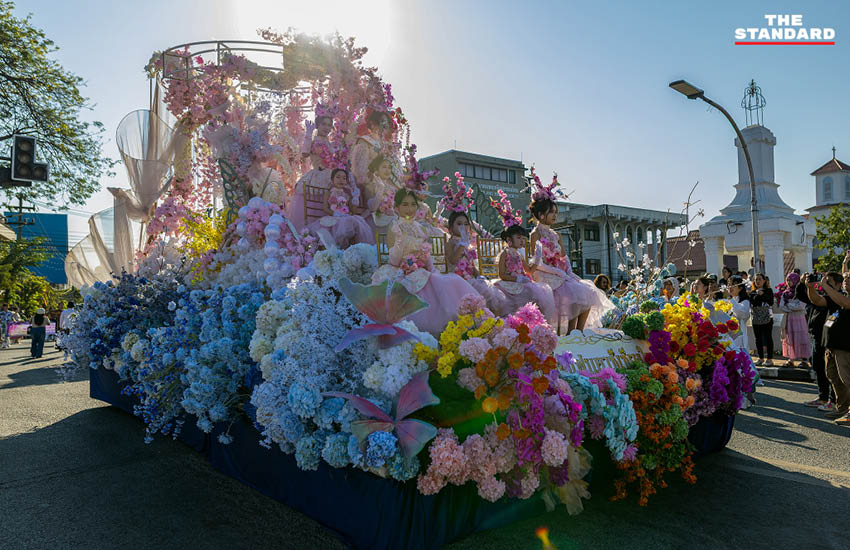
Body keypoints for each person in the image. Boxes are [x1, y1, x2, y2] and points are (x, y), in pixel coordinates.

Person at [371, 188, 479, 337]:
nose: (409, 209)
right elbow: (394, 260)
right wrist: (400, 243)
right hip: (402, 270)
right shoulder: (394, 227)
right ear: (396, 208)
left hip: (422, 269)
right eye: (405, 205)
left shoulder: (421, 228)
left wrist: (431, 268)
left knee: (451, 281)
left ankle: (465, 325)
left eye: (413, 204)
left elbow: (426, 254)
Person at [529, 192, 613, 333]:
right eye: (552, 212)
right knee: (574, 294)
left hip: (561, 274)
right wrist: (557, 272)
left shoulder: (556, 234)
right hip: (545, 274)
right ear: (541, 215)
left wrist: (569, 271)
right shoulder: (535, 234)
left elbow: (564, 257)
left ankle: (577, 333)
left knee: (587, 292)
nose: (555, 215)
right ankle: (570, 333)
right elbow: (537, 262)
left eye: (556, 212)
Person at [805, 267, 850, 425]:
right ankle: (842, 408)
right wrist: (810, 287)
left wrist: (825, 286)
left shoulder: (843, 299)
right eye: (845, 277)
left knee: (847, 379)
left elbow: (846, 303)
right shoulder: (838, 296)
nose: (846, 279)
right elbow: (817, 300)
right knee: (834, 377)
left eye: (849, 278)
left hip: (845, 347)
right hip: (831, 346)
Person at [494, 224, 556, 326]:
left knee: (536, 297)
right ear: (509, 239)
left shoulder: (519, 254)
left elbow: (529, 271)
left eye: (523, 238)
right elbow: (502, 274)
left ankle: (533, 325)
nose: (522, 241)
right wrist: (517, 279)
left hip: (521, 284)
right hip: (508, 284)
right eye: (518, 238)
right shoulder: (504, 253)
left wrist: (537, 259)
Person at [287, 114, 335, 230]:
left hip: (332, 176)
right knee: (316, 208)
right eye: (323, 124)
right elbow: (304, 154)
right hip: (318, 176)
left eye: (329, 125)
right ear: (317, 125)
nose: (326, 127)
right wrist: (309, 133)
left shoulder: (329, 142)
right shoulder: (314, 140)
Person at [307, 168, 375, 249]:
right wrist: (335, 213)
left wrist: (355, 199)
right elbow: (325, 208)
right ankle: (337, 249)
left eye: (344, 178)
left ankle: (355, 248)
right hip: (333, 217)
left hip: (345, 218)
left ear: (346, 181)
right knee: (337, 228)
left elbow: (352, 211)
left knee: (356, 222)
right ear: (332, 180)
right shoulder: (329, 193)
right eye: (338, 177)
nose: (341, 180)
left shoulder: (347, 195)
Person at [800, 272, 839, 410]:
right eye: (824, 281)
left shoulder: (840, 297)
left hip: (834, 342)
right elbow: (815, 299)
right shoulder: (826, 296)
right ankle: (823, 397)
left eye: (829, 282)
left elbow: (819, 301)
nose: (824, 284)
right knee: (818, 367)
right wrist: (809, 286)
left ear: (838, 285)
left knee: (833, 372)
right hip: (819, 337)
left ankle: (834, 401)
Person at [777, 272, 811, 367]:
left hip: (799, 318)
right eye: (787, 280)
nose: (788, 282)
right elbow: (781, 306)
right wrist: (792, 306)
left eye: (790, 280)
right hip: (789, 319)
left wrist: (788, 306)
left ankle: (804, 360)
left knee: (801, 337)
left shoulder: (801, 292)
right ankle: (791, 359)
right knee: (790, 338)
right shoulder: (785, 293)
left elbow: (801, 306)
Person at [751, 273, 775, 366]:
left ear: (764, 281)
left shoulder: (768, 290)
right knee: (758, 339)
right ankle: (760, 358)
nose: (758, 281)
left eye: (760, 279)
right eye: (756, 279)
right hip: (756, 317)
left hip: (767, 317)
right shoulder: (753, 292)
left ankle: (769, 359)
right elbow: (754, 302)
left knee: (768, 337)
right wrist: (758, 295)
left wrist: (763, 294)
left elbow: (770, 302)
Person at [728, 276, 751, 352]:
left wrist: (730, 299)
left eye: (733, 285)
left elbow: (742, 314)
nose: (730, 287)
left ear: (740, 288)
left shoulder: (745, 301)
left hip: (739, 333)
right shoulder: (728, 300)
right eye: (729, 284)